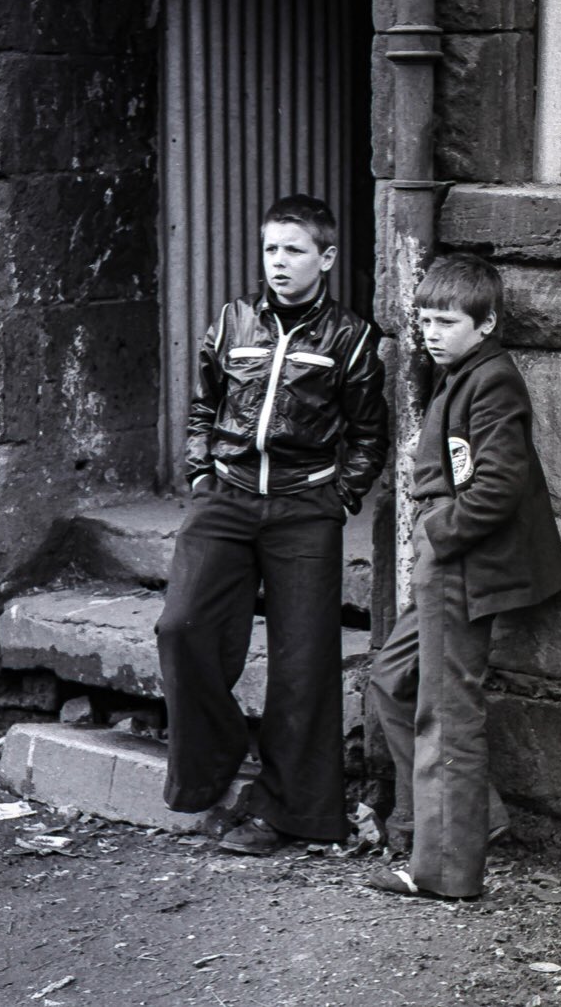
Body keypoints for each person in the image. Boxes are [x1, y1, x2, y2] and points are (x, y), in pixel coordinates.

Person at [156, 194, 389, 856]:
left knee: (302, 663)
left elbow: (370, 435)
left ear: (326, 257)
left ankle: (288, 814)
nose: (279, 262)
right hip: (225, 499)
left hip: (302, 508)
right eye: (270, 249)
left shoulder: (350, 337)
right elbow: (204, 406)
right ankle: (211, 768)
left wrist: (338, 496)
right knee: (182, 626)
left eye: (293, 250)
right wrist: (201, 474)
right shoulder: (231, 321)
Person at [367, 253, 561, 900]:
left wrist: (435, 534)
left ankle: (447, 871)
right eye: (423, 319)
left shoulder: (492, 381)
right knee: (391, 682)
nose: (430, 332)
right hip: (444, 558)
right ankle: (471, 821)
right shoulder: (458, 372)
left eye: (445, 321)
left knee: (446, 715)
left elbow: (498, 485)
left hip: (459, 561)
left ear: (483, 325)